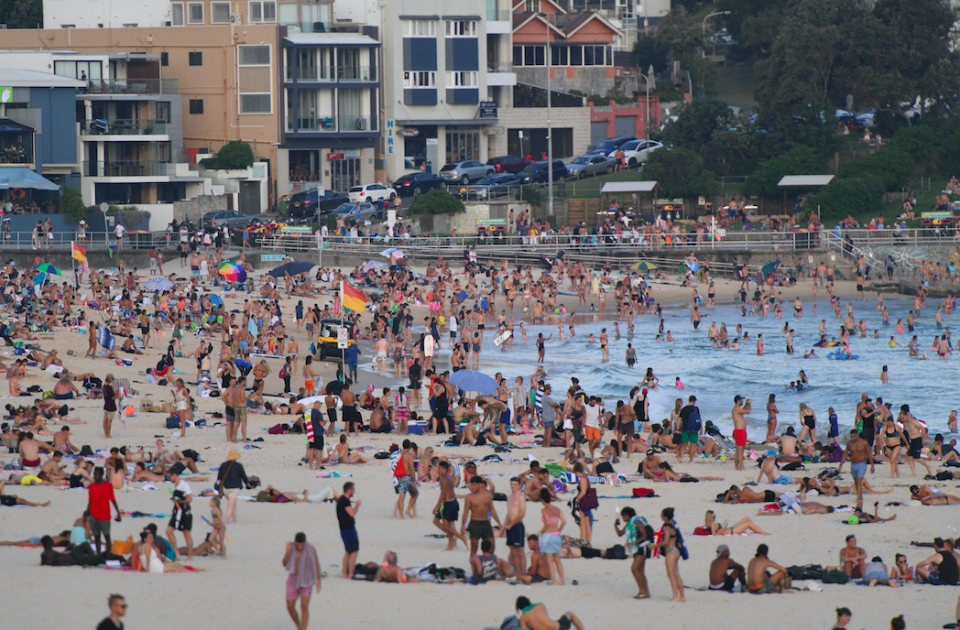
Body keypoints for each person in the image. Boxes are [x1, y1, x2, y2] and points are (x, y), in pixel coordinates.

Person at [283, 532, 322, 630]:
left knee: (304, 606)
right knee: (290, 607)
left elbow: (316, 564)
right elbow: (284, 563)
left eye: (302, 545)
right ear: (295, 542)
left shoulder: (311, 549)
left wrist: (319, 580)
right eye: (298, 545)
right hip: (293, 579)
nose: (300, 547)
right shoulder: (291, 547)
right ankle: (299, 627)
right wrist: (288, 551)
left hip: (306, 580)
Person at [462, 474, 502, 558]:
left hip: (486, 522)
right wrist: (463, 525)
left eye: (475, 485)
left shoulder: (488, 495)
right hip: (475, 523)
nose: (473, 487)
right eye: (472, 486)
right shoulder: (470, 497)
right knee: (474, 548)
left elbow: (492, 510)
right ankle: (474, 568)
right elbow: (465, 512)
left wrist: (499, 523)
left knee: (491, 546)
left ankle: (487, 563)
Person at [614, 506, 651, 599]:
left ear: (629, 515)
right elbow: (620, 534)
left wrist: (632, 543)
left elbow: (644, 535)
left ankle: (642, 591)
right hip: (637, 549)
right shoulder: (629, 524)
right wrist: (615, 525)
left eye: (624, 515)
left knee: (634, 569)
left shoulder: (636, 521)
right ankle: (646, 593)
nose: (623, 517)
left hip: (643, 548)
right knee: (641, 572)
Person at [87, 466, 121, 559]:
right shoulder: (92, 487)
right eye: (94, 474)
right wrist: (87, 514)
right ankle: (98, 556)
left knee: (107, 537)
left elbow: (113, 500)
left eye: (96, 474)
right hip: (93, 515)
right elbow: (90, 501)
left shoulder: (108, 486)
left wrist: (118, 512)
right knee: (97, 537)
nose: (94, 476)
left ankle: (108, 556)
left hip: (105, 515)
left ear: (101, 475)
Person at [839, 428, 875, 510]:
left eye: (854, 436)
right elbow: (845, 454)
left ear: (857, 435)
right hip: (853, 464)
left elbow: (869, 454)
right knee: (856, 482)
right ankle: (859, 495)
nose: (853, 438)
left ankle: (859, 498)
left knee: (859, 481)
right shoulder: (849, 443)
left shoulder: (864, 443)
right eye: (851, 436)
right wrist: (841, 464)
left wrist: (872, 465)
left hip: (862, 464)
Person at [655, 507, 685, 602]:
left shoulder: (667, 527)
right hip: (676, 551)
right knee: (676, 574)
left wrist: (654, 546)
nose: (660, 516)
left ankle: (675, 596)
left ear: (665, 517)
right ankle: (682, 596)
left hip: (670, 552)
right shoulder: (673, 523)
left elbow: (665, 542)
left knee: (671, 574)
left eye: (661, 514)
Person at [500, 476, 528, 574]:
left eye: (515, 484)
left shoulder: (521, 497)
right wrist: (503, 527)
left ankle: (523, 571)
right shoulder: (509, 497)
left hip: (517, 526)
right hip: (509, 526)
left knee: (520, 551)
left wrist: (511, 524)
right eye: (512, 484)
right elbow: (508, 513)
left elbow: (522, 514)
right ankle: (517, 571)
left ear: (520, 485)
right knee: (512, 551)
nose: (513, 486)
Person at [165, 469, 194, 562]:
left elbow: (190, 499)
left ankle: (190, 556)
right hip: (177, 512)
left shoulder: (184, 485)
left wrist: (178, 501)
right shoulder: (175, 485)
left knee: (186, 534)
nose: (169, 479)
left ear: (175, 475)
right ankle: (176, 552)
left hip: (185, 512)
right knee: (168, 531)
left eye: (169, 477)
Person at [538, 488, 566, 585]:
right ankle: (562, 581)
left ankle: (554, 581)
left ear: (542, 499)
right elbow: (564, 520)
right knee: (557, 560)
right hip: (557, 536)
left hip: (548, 536)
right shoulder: (557, 509)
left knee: (550, 561)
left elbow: (548, 522)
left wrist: (541, 531)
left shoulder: (544, 510)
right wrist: (559, 529)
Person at [217, 448, 249, 525]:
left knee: (232, 503)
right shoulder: (239, 466)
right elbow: (243, 476)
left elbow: (219, 478)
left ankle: (234, 520)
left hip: (225, 488)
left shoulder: (223, 465)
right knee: (231, 504)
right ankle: (227, 520)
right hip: (234, 488)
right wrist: (247, 483)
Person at [515, 597, 585, 630]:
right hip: (558, 627)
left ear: (520, 608)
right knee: (570, 613)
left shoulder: (523, 618)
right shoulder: (540, 605)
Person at [337, 482, 361, 580]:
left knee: (348, 552)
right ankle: (350, 573)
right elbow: (351, 513)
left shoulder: (342, 500)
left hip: (344, 529)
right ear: (349, 490)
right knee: (353, 551)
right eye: (353, 489)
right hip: (348, 529)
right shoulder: (344, 501)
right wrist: (357, 505)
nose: (354, 491)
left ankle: (345, 574)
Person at [731, 394, 751, 470]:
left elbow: (743, 411)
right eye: (742, 400)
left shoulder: (737, 409)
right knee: (740, 450)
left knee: (738, 450)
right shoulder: (736, 409)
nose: (743, 401)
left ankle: (737, 466)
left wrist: (746, 405)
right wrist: (750, 404)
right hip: (739, 431)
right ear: (738, 401)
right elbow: (748, 411)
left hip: (740, 431)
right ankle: (741, 467)